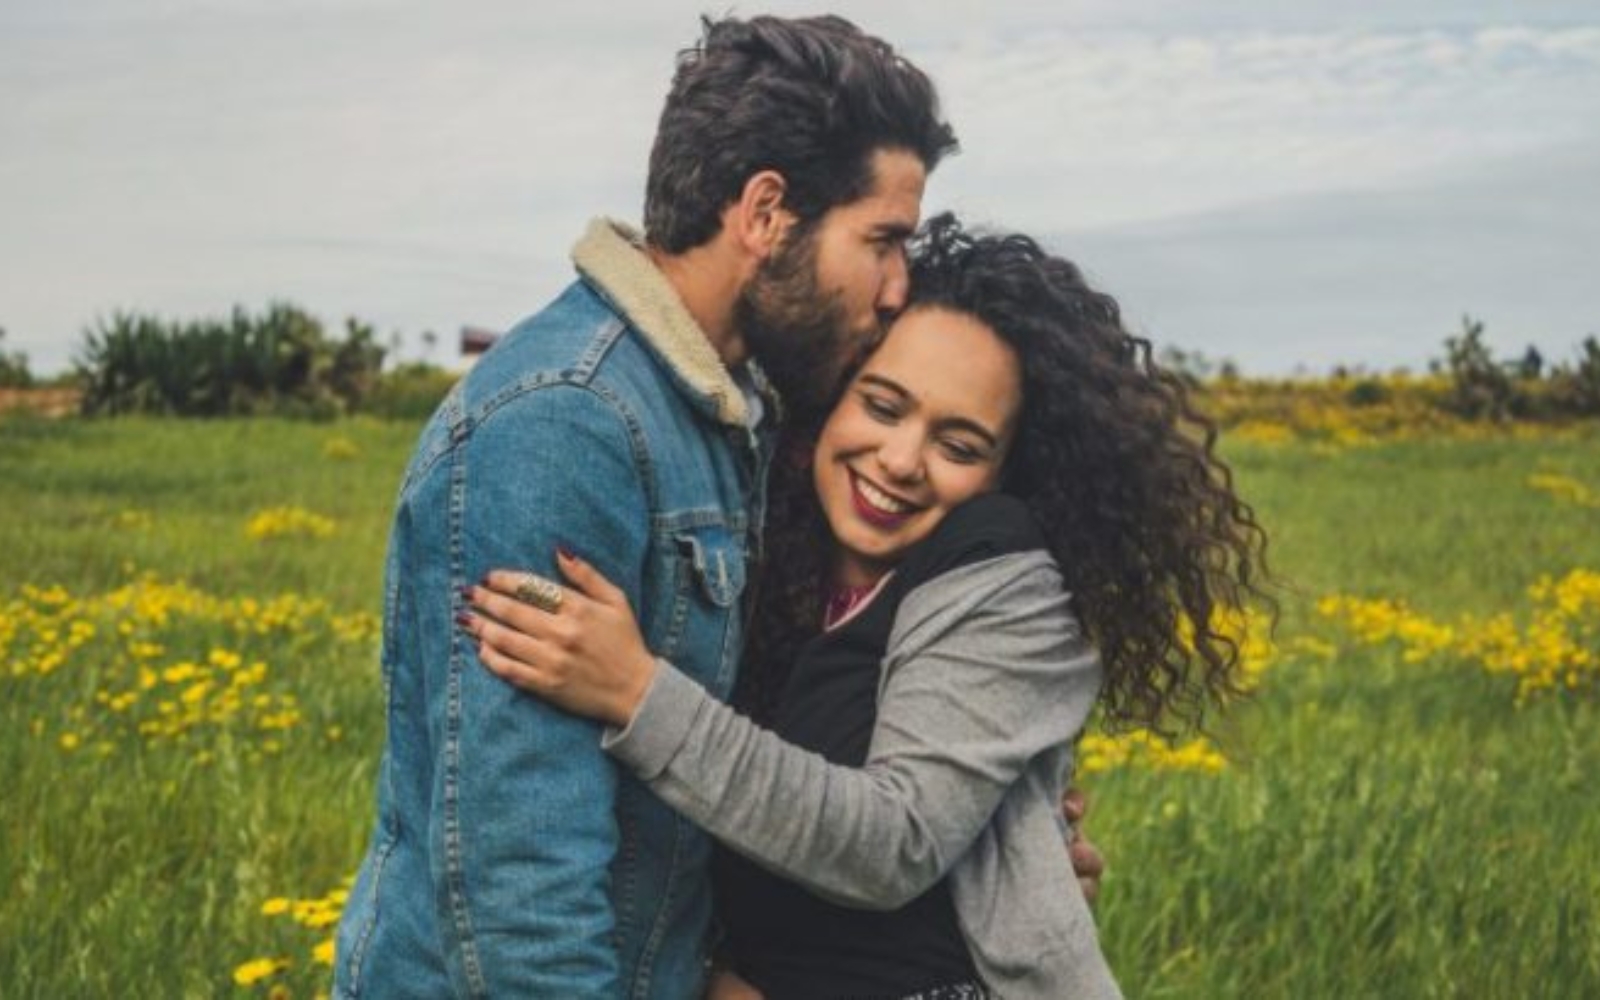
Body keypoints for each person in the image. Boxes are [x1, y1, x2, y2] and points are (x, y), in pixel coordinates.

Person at [333, 15, 1102, 1000]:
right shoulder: (568, 426)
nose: (897, 287)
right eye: (883, 240)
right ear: (766, 213)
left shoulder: (729, 415)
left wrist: (1006, 856)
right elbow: (517, 883)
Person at [463, 216, 1273, 999]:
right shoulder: (762, 560)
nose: (900, 460)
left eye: (959, 447)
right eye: (883, 406)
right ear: (828, 400)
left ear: (1005, 472)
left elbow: (890, 844)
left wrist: (634, 692)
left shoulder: (1005, 573)